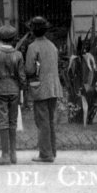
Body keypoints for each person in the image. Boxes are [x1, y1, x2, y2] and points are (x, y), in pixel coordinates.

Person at [0, 24, 26, 165]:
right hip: (14, 91)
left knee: (3, 122)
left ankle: (5, 155)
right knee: (13, 122)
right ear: (14, 39)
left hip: (1, 91)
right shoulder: (18, 54)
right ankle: (13, 154)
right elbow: (22, 77)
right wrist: (22, 91)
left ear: (0, 38)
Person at [25, 16, 63, 164]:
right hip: (54, 87)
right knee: (50, 121)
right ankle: (51, 151)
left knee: (42, 122)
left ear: (32, 30)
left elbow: (29, 69)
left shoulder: (33, 47)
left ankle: (45, 154)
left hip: (40, 87)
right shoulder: (52, 45)